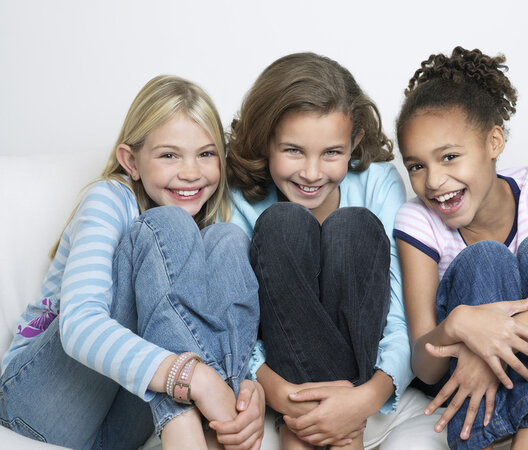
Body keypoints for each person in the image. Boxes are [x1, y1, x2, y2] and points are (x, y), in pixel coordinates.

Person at [0, 75, 264, 450]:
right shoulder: (109, 198)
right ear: (131, 161)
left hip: (122, 425)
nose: (191, 171)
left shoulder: (208, 225)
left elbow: (229, 323)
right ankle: (187, 419)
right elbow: (79, 327)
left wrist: (248, 386)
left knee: (227, 240)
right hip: (41, 405)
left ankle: (223, 419)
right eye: (169, 155)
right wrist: (195, 379)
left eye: (206, 154)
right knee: (165, 224)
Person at [393, 46, 528, 449]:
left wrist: (496, 341)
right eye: (416, 165)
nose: (434, 181)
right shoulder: (416, 219)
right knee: (485, 258)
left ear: (493, 142)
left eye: (450, 157)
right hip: (471, 398)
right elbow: (424, 365)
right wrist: (459, 327)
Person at [227, 52, 412, 450]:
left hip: (358, 389)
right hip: (287, 383)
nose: (311, 173)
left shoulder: (379, 182)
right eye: (293, 150)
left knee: (354, 227)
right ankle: (325, 436)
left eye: (331, 153)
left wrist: (367, 396)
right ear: (265, 141)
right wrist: (279, 393)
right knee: (283, 223)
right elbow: (235, 314)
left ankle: (308, 435)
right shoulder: (240, 198)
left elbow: (403, 308)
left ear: (355, 143)